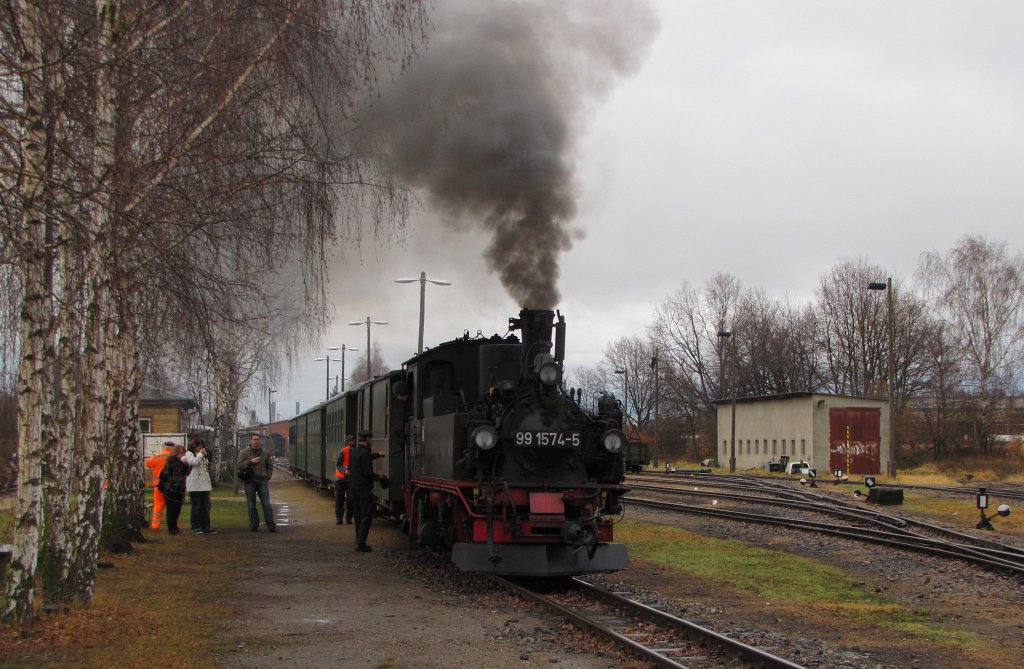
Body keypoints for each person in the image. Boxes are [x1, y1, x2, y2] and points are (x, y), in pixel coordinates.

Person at [349, 429, 385, 552]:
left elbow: (364, 459)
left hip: (353, 488)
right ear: (368, 439)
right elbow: (368, 473)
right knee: (366, 516)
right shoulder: (364, 454)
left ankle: (358, 540)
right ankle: (362, 544)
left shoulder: (354, 452)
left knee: (358, 516)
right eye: (371, 439)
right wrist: (379, 477)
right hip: (364, 489)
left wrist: (378, 454)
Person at [238, 434, 276, 532]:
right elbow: (239, 465)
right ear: (251, 441)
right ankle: (254, 524)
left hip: (262, 480)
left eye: (258, 439)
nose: (256, 441)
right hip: (249, 481)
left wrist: (268, 476)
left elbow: (270, 465)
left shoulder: (265, 453)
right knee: (251, 505)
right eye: (254, 439)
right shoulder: (244, 453)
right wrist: (250, 462)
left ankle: (271, 525)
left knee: (266, 504)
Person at [185, 439, 215, 534]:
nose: (201, 449)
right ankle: (196, 527)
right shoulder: (189, 454)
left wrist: (209, 466)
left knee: (206, 506)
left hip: (204, 484)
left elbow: (204, 466)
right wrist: (201, 454)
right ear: (194, 447)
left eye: (202, 447)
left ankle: (206, 526)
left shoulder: (204, 456)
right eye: (199, 446)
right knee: (196, 506)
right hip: (195, 484)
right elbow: (194, 462)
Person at [145, 441, 176, 529]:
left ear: (164, 446)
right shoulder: (175, 457)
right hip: (172, 486)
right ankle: (174, 525)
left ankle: (155, 525)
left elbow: (148, 463)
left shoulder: (158, 456)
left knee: (158, 506)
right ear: (173, 447)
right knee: (173, 507)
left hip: (159, 485)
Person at [160, 444, 190, 535]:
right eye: (180, 453)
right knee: (171, 510)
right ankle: (172, 529)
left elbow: (186, 472)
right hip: (171, 489)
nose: (182, 455)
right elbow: (173, 471)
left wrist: (186, 464)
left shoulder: (181, 462)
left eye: (183, 453)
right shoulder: (171, 461)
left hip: (179, 489)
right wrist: (181, 462)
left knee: (177, 510)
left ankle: (175, 527)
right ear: (176, 453)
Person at [334, 435, 355, 525]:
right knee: (339, 499)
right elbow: (338, 465)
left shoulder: (356, 451)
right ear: (348, 442)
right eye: (353, 440)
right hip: (340, 480)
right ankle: (339, 519)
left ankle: (348, 519)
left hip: (350, 480)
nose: (355, 442)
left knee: (351, 499)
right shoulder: (343, 451)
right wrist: (345, 470)